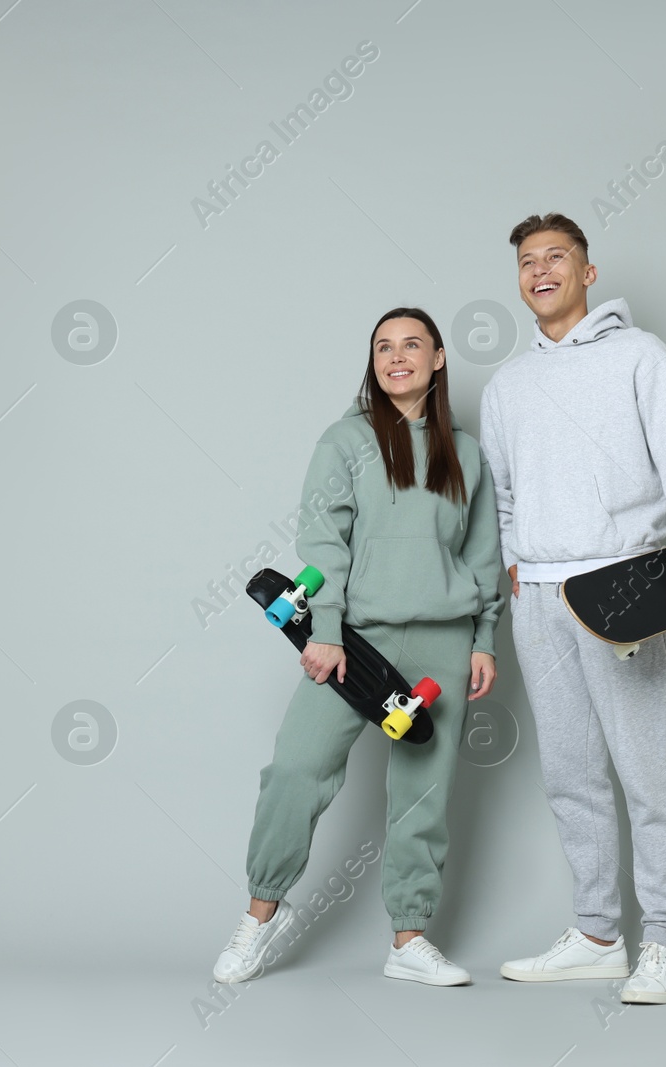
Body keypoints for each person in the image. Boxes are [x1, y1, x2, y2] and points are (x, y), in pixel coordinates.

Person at [212, 307, 505, 987]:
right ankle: (260, 917)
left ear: (438, 359)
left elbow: (484, 552)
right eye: (383, 346)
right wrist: (323, 630)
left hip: (443, 640)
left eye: (412, 344)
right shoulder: (344, 442)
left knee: (421, 796)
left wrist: (485, 637)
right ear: (372, 361)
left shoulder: (465, 450)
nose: (396, 355)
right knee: (296, 770)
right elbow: (323, 543)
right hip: (353, 640)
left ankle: (410, 938)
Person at [481, 213, 666, 1005]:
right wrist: (518, 569)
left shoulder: (640, 355)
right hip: (540, 598)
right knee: (570, 773)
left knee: (647, 772)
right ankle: (597, 934)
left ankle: (665, 943)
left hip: (624, 586)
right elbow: (508, 495)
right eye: (528, 261)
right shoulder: (506, 385)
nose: (541, 269)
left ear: (589, 273)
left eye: (557, 256)